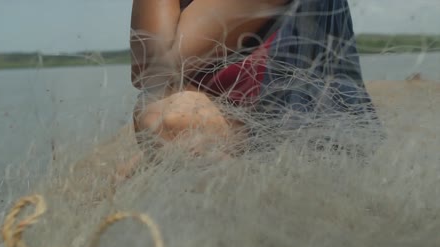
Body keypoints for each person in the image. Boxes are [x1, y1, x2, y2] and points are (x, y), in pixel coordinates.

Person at [117, 0, 381, 176]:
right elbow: (148, 75)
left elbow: (156, 62)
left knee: (167, 116)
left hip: (296, 139)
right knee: (156, 109)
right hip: (241, 124)